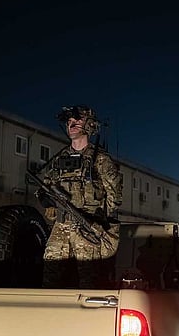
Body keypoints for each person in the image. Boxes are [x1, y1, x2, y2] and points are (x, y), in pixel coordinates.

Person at [37, 105, 123, 288]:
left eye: (77, 120)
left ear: (90, 126)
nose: (72, 124)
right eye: (69, 122)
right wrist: (48, 203)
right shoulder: (59, 159)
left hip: (87, 225)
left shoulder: (100, 160)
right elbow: (44, 187)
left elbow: (114, 198)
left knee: (89, 281)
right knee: (50, 278)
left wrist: (100, 223)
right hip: (61, 226)